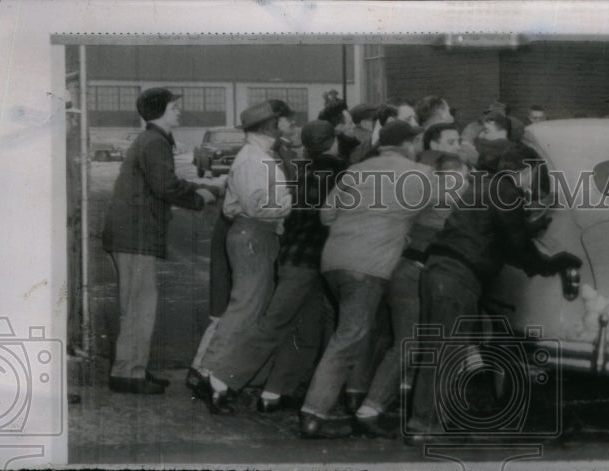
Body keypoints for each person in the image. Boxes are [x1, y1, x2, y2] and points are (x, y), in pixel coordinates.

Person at [405, 144, 584, 440]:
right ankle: (425, 426)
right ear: (524, 170)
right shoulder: (505, 190)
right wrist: (552, 262)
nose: (534, 181)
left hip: (441, 271)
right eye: (535, 174)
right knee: (446, 350)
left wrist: (531, 230)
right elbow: (515, 244)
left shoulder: (485, 187)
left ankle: (430, 421)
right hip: (456, 275)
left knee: (441, 348)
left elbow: (496, 236)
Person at [299, 120, 438, 438]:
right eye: (415, 143)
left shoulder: (356, 170)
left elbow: (326, 215)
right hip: (370, 266)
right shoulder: (420, 175)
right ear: (409, 143)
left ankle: (358, 399)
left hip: (334, 261)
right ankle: (312, 414)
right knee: (350, 336)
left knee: (356, 331)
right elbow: (440, 215)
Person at [101, 88, 220, 394]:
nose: (179, 111)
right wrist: (200, 197)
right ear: (160, 111)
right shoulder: (155, 142)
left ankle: (133, 368)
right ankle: (129, 373)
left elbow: (165, 182)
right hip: (136, 235)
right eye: (174, 107)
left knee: (138, 304)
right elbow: (166, 186)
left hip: (133, 234)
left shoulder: (152, 140)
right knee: (139, 306)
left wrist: (205, 186)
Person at [355, 152, 470, 437]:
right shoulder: (449, 201)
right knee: (410, 343)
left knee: (408, 342)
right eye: (465, 176)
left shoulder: (421, 195)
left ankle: (373, 403)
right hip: (415, 275)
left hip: (400, 271)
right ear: (456, 175)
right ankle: (371, 408)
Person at [195, 100, 296, 413]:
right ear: (271, 126)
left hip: (255, 234)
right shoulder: (254, 159)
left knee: (249, 308)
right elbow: (255, 206)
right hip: (254, 233)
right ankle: (212, 379)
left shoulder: (260, 155)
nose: (290, 125)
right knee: (245, 308)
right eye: (285, 121)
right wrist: (294, 204)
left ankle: (215, 377)